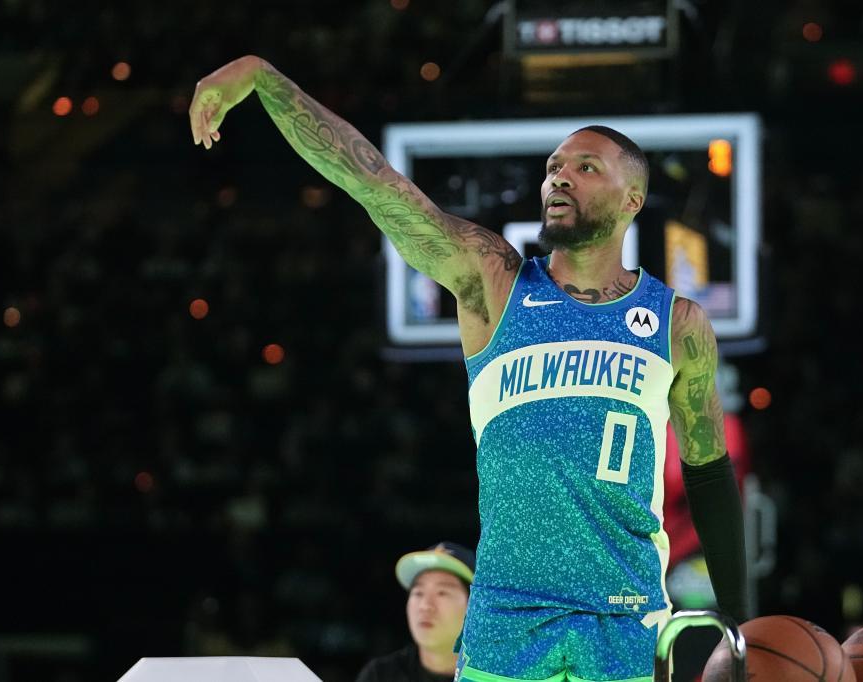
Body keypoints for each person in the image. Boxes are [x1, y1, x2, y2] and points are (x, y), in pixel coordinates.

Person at [189, 55, 749, 682]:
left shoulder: (677, 324)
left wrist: (741, 621)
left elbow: (708, 471)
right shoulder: (495, 283)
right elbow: (378, 186)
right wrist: (267, 79)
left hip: (624, 620)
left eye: (585, 167)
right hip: (506, 622)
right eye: (553, 168)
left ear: (633, 199)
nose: (559, 179)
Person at [355, 542, 476, 682]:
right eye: (418, 593)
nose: (425, 605)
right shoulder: (380, 675)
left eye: (442, 593)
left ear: (474, 606)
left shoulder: (494, 675)